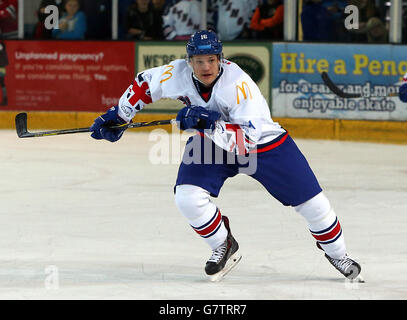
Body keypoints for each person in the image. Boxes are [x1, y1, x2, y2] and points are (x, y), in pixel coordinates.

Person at [89, 30, 363, 282]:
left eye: (211, 59)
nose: (205, 66)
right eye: (198, 60)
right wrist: (120, 115)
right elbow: (145, 84)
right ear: (189, 61)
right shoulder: (177, 73)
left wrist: (208, 124)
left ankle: (338, 254)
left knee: (315, 205)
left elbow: (247, 141)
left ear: (221, 59)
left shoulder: (239, 85)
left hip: (263, 145)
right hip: (213, 144)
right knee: (187, 197)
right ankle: (223, 243)